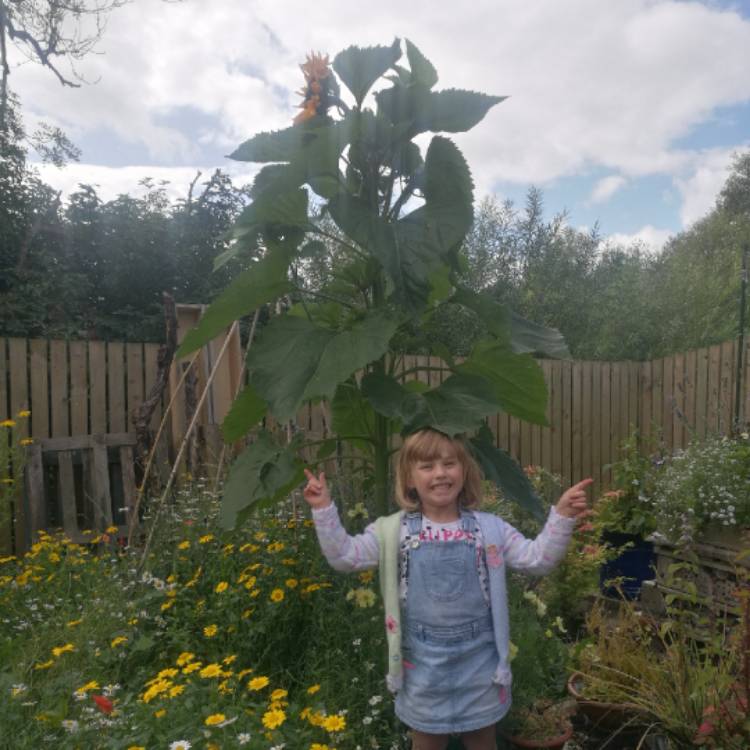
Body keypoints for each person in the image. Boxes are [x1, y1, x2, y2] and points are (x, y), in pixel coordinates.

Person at [303, 428, 591, 750]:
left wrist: (562, 516)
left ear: (464, 470)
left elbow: (537, 559)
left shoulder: (490, 529)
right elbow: (344, 557)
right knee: (427, 740)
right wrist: (323, 508)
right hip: (422, 665)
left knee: (482, 738)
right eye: (427, 466)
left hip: (480, 662)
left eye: (449, 463)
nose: (440, 473)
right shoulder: (393, 531)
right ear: (409, 479)